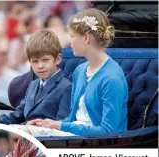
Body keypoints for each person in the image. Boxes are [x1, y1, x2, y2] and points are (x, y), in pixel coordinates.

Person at [25, 8, 128, 137]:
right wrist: (50, 124)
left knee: (24, 134)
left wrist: (60, 126)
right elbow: (73, 119)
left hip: (97, 144)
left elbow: (108, 131)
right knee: (21, 130)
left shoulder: (112, 78)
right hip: (75, 137)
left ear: (86, 37)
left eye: (72, 36)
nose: (70, 41)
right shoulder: (80, 71)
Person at [0, 29, 72, 124]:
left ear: (57, 59)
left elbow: (61, 125)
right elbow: (17, 114)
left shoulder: (66, 87)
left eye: (45, 60)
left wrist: (25, 127)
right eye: (35, 61)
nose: (40, 66)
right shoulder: (33, 85)